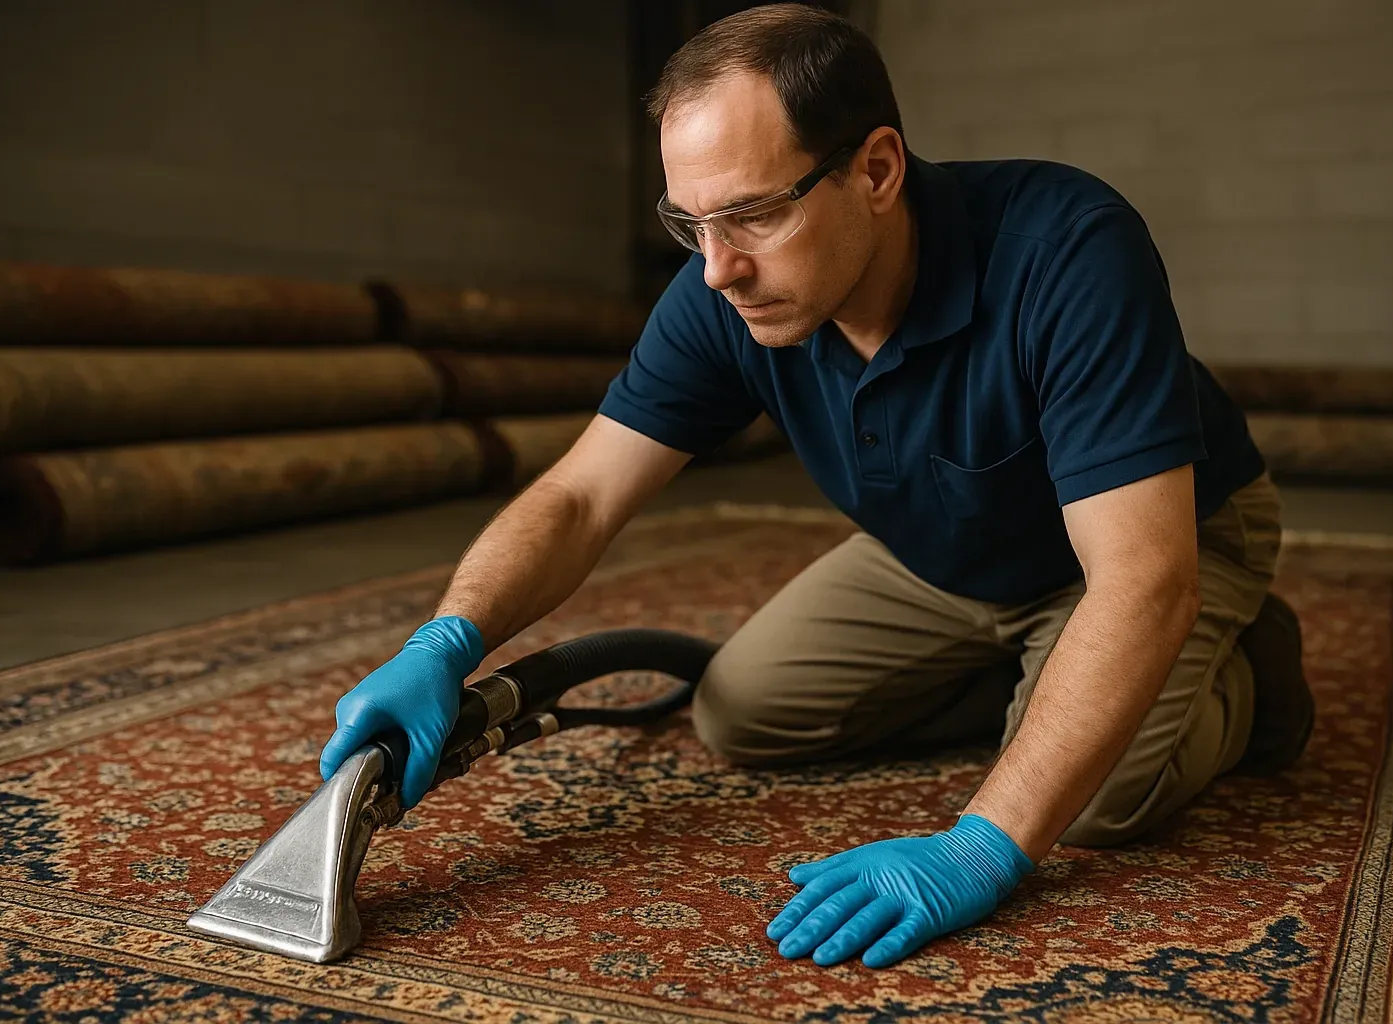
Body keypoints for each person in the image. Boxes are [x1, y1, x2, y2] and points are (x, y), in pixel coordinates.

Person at [318, 2, 1313, 971]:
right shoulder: (723, 288)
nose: (717, 270)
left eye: (752, 213)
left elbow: (1139, 577)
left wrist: (984, 843)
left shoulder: (1068, 249)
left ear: (876, 169)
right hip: (945, 547)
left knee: (1098, 801)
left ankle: (1241, 666)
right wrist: (446, 639)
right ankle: (1035, 677)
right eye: (689, 222)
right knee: (744, 712)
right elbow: (581, 495)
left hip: (1148, 540)